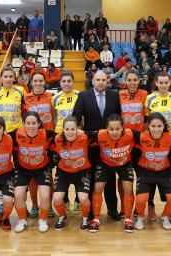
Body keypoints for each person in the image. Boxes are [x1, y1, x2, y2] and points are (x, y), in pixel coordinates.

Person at [73, 71, 122, 221]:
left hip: (109, 144)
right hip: (91, 143)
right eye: (97, 80)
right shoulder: (83, 96)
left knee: (110, 177)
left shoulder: (114, 95)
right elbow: (76, 116)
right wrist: (79, 131)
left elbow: (118, 117)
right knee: (92, 176)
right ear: (92, 81)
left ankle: (112, 209)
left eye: (103, 79)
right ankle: (89, 211)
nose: (100, 82)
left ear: (107, 81)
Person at [87, 114, 137, 233]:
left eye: (117, 129)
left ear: (123, 128)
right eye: (111, 129)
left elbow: (149, 136)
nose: (114, 132)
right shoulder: (99, 135)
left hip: (124, 164)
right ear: (106, 129)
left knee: (128, 188)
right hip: (105, 164)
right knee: (98, 188)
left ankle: (128, 219)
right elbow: (84, 136)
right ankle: (96, 219)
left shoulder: (131, 134)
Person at [132, 113, 171, 230]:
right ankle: (140, 217)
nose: (156, 129)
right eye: (153, 126)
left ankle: (165, 216)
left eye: (159, 126)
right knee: (141, 199)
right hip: (145, 172)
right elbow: (125, 134)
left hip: (165, 172)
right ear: (148, 125)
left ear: (164, 125)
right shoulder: (141, 137)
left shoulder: (170, 137)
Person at [13, 112, 56, 233]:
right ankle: (22, 220)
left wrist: (79, 132)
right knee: (18, 195)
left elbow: (64, 136)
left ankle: (42, 220)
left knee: (45, 195)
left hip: (42, 168)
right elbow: (0, 137)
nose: (31, 126)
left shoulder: (46, 134)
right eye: (28, 123)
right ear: (24, 124)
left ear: (39, 124)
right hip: (23, 169)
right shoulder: (16, 134)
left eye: (34, 123)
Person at [51, 116, 92, 230]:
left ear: (77, 129)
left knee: (83, 198)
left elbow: (99, 134)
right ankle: (62, 216)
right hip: (63, 172)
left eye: (73, 129)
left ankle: (84, 218)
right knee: (57, 198)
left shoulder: (84, 137)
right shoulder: (57, 139)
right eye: (67, 129)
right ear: (63, 129)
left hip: (81, 171)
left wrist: (83, 131)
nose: (69, 132)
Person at [52, 71, 81, 212]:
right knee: (62, 167)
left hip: (77, 137)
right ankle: (63, 199)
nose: (66, 84)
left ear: (73, 82)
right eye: (64, 81)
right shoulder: (55, 98)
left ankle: (77, 200)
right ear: (60, 83)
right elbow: (53, 117)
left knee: (77, 167)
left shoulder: (79, 96)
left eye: (69, 81)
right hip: (60, 137)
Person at [0, 67, 26, 139]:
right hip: (1, 131)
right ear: (1, 78)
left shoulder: (20, 90)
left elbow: (26, 110)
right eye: (5, 76)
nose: (8, 79)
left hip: (18, 130)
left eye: (11, 76)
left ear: (14, 78)